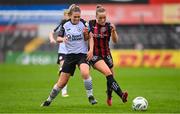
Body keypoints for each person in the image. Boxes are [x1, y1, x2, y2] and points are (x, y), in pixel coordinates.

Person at [41, 4, 97, 106]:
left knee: (85, 73)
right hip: (70, 56)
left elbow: (90, 37)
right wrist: (63, 39)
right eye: (75, 17)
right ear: (70, 15)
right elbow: (58, 38)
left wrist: (91, 50)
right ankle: (48, 100)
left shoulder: (84, 23)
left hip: (82, 55)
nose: (77, 18)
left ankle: (90, 96)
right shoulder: (65, 24)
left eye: (78, 17)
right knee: (61, 83)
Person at [88, 5, 128, 106]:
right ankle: (122, 95)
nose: (102, 20)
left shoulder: (109, 26)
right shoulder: (91, 24)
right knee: (108, 73)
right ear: (96, 17)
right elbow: (86, 37)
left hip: (107, 55)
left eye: (104, 17)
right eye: (100, 18)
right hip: (95, 55)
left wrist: (114, 31)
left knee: (111, 78)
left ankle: (109, 96)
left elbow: (115, 40)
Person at [49, 9, 69, 97]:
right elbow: (51, 32)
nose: (66, 17)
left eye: (67, 15)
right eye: (65, 15)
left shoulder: (76, 25)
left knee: (66, 71)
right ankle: (64, 91)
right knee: (63, 69)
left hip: (72, 52)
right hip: (62, 51)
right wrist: (52, 39)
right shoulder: (62, 25)